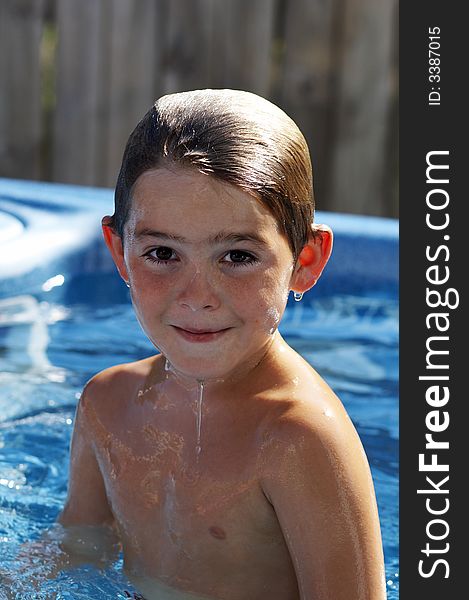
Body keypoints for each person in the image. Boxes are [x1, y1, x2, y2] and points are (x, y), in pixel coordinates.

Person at [57, 89, 386, 600]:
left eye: (236, 256)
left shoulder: (297, 440)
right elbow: (76, 552)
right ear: (119, 254)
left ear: (305, 261)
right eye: (163, 253)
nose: (197, 296)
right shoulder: (106, 404)